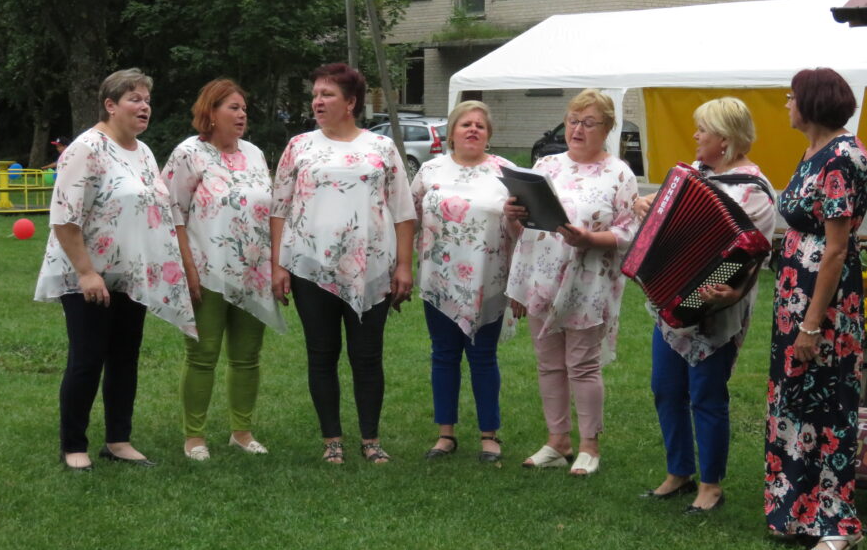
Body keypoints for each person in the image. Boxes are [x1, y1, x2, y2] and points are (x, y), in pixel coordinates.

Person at [35, 69, 196, 471]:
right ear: (110, 105)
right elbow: (64, 217)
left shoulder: (143, 152)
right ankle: (73, 445)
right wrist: (87, 272)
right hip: (86, 274)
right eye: (134, 99)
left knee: (125, 358)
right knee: (87, 359)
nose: (145, 107)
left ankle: (118, 440)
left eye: (147, 100)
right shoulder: (86, 148)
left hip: (128, 275)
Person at [270, 63, 416, 464]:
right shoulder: (299, 146)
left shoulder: (381, 148)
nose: (317, 101)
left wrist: (404, 266)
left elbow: (403, 210)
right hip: (310, 267)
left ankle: (371, 439)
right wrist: (279, 265)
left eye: (327, 94)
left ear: (351, 103)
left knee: (367, 356)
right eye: (315, 94)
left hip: (371, 268)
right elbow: (279, 208)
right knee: (322, 354)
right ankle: (331, 439)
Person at [637, 98, 775, 513]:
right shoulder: (693, 175)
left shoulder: (755, 192)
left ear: (725, 139)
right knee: (665, 388)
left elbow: (751, 258)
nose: (695, 136)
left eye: (703, 130)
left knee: (706, 395)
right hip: (671, 300)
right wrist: (645, 205)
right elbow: (663, 214)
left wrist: (730, 291)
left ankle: (711, 485)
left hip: (718, 308)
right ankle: (678, 472)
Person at [766, 68, 867, 550]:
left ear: (811, 103)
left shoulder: (841, 158)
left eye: (792, 97)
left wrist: (811, 324)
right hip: (796, 299)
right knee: (796, 400)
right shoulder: (814, 151)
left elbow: (835, 249)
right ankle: (798, 510)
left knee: (828, 406)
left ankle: (837, 525)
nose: (787, 104)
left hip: (824, 306)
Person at [505, 89, 637, 476]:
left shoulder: (619, 173)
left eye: (588, 123)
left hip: (588, 280)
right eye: (573, 121)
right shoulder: (546, 165)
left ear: (607, 128)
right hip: (542, 275)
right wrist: (513, 213)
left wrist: (590, 239)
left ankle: (589, 446)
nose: (578, 129)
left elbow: (629, 231)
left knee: (582, 364)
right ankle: (557, 440)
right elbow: (525, 226)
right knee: (548, 364)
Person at [163, 79, 286, 461]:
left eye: (244, 108)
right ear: (211, 112)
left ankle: (242, 433)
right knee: (203, 354)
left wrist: (274, 264)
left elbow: (269, 208)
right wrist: (187, 268)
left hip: (253, 273)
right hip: (206, 272)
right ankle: (194, 437)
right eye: (233, 107)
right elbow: (172, 213)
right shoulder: (189, 154)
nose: (242, 114)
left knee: (247, 356)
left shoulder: (254, 154)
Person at [412, 101, 515, 463]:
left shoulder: (506, 172)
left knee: (483, 356)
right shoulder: (429, 170)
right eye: (465, 124)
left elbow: (525, 225)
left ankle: (489, 435)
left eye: (480, 126)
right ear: (452, 132)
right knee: (443, 355)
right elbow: (410, 217)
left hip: (488, 279)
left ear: (489, 135)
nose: (473, 130)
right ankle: (445, 434)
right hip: (439, 278)